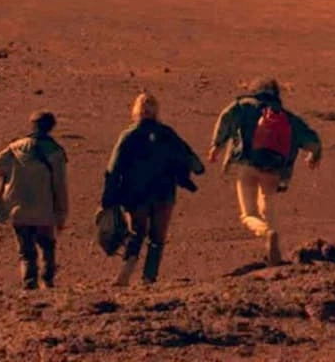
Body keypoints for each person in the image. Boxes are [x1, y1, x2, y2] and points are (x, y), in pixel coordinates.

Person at [206, 78, 322, 266]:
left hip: (247, 166)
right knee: (268, 206)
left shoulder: (244, 106)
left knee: (248, 214)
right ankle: (274, 250)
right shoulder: (288, 117)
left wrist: (216, 146)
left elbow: (226, 118)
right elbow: (313, 141)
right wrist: (314, 156)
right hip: (273, 170)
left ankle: (267, 233)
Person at [100, 93, 206, 286]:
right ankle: (149, 278)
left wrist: (108, 198)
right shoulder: (167, 134)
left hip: (136, 195)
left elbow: (113, 169)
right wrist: (196, 170)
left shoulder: (129, 135)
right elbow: (189, 156)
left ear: (136, 110)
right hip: (164, 194)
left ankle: (126, 272)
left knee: (137, 233)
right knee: (157, 238)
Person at [0, 111, 69, 290]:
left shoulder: (15, 147)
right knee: (47, 246)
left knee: (26, 250)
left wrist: (10, 173)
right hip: (45, 209)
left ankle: (29, 282)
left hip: (19, 208)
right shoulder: (55, 151)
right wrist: (62, 212)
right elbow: (59, 186)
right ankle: (47, 281)